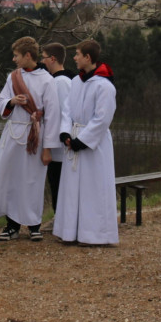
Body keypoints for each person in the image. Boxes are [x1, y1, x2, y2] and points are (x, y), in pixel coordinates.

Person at [0, 37, 61, 241]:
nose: (14, 59)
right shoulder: (13, 77)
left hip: (34, 134)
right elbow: (1, 102)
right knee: (11, 179)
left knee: (32, 180)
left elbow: (53, 114)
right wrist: (12, 101)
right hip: (13, 135)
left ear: (28, 56)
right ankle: (12, 225)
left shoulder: (47, 80)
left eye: (17, 55)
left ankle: (33, 224)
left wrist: (48, 148)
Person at [55, 40, 119, 246]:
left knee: (94, 188)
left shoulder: (104, 85)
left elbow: (103, 118)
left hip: (94, 144)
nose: (74, 57)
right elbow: (67, 110)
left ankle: (95, 234)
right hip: (74, 136)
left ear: (88, 58)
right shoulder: (76, 82)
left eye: (77, 53)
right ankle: (70, 231)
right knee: (72, 188)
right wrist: (65, 131)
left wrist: (82, 141)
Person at [39, 42, 74, 229]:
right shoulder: (64, 80)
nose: (42, 61)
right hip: (57, 142)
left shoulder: (60, 82)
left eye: (43, 57)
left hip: (59, 145)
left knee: (58, 183)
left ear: (52, 59)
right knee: (57, 182)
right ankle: (61, 219)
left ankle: (60, 220)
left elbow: (59, 114)